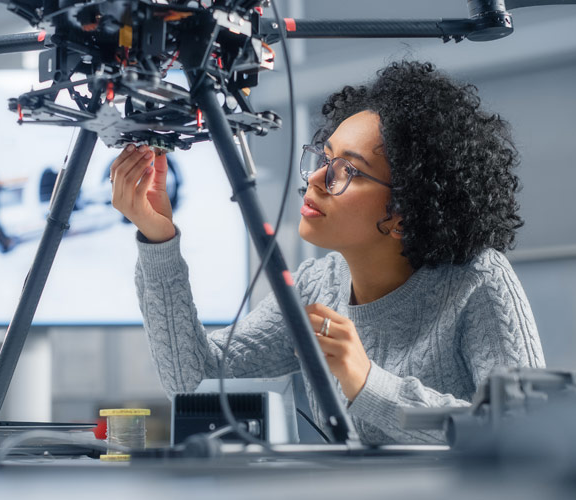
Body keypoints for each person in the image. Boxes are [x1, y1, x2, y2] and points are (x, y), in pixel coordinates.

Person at [110, 60, 543, 444]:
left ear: (405, 214)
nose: (316, 178)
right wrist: (158, 241)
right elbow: (193, 379)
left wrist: (367, 384)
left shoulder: (479, 280)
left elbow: (526, 432)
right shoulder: (318, 285)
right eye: (325, 157)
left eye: (347, 171)